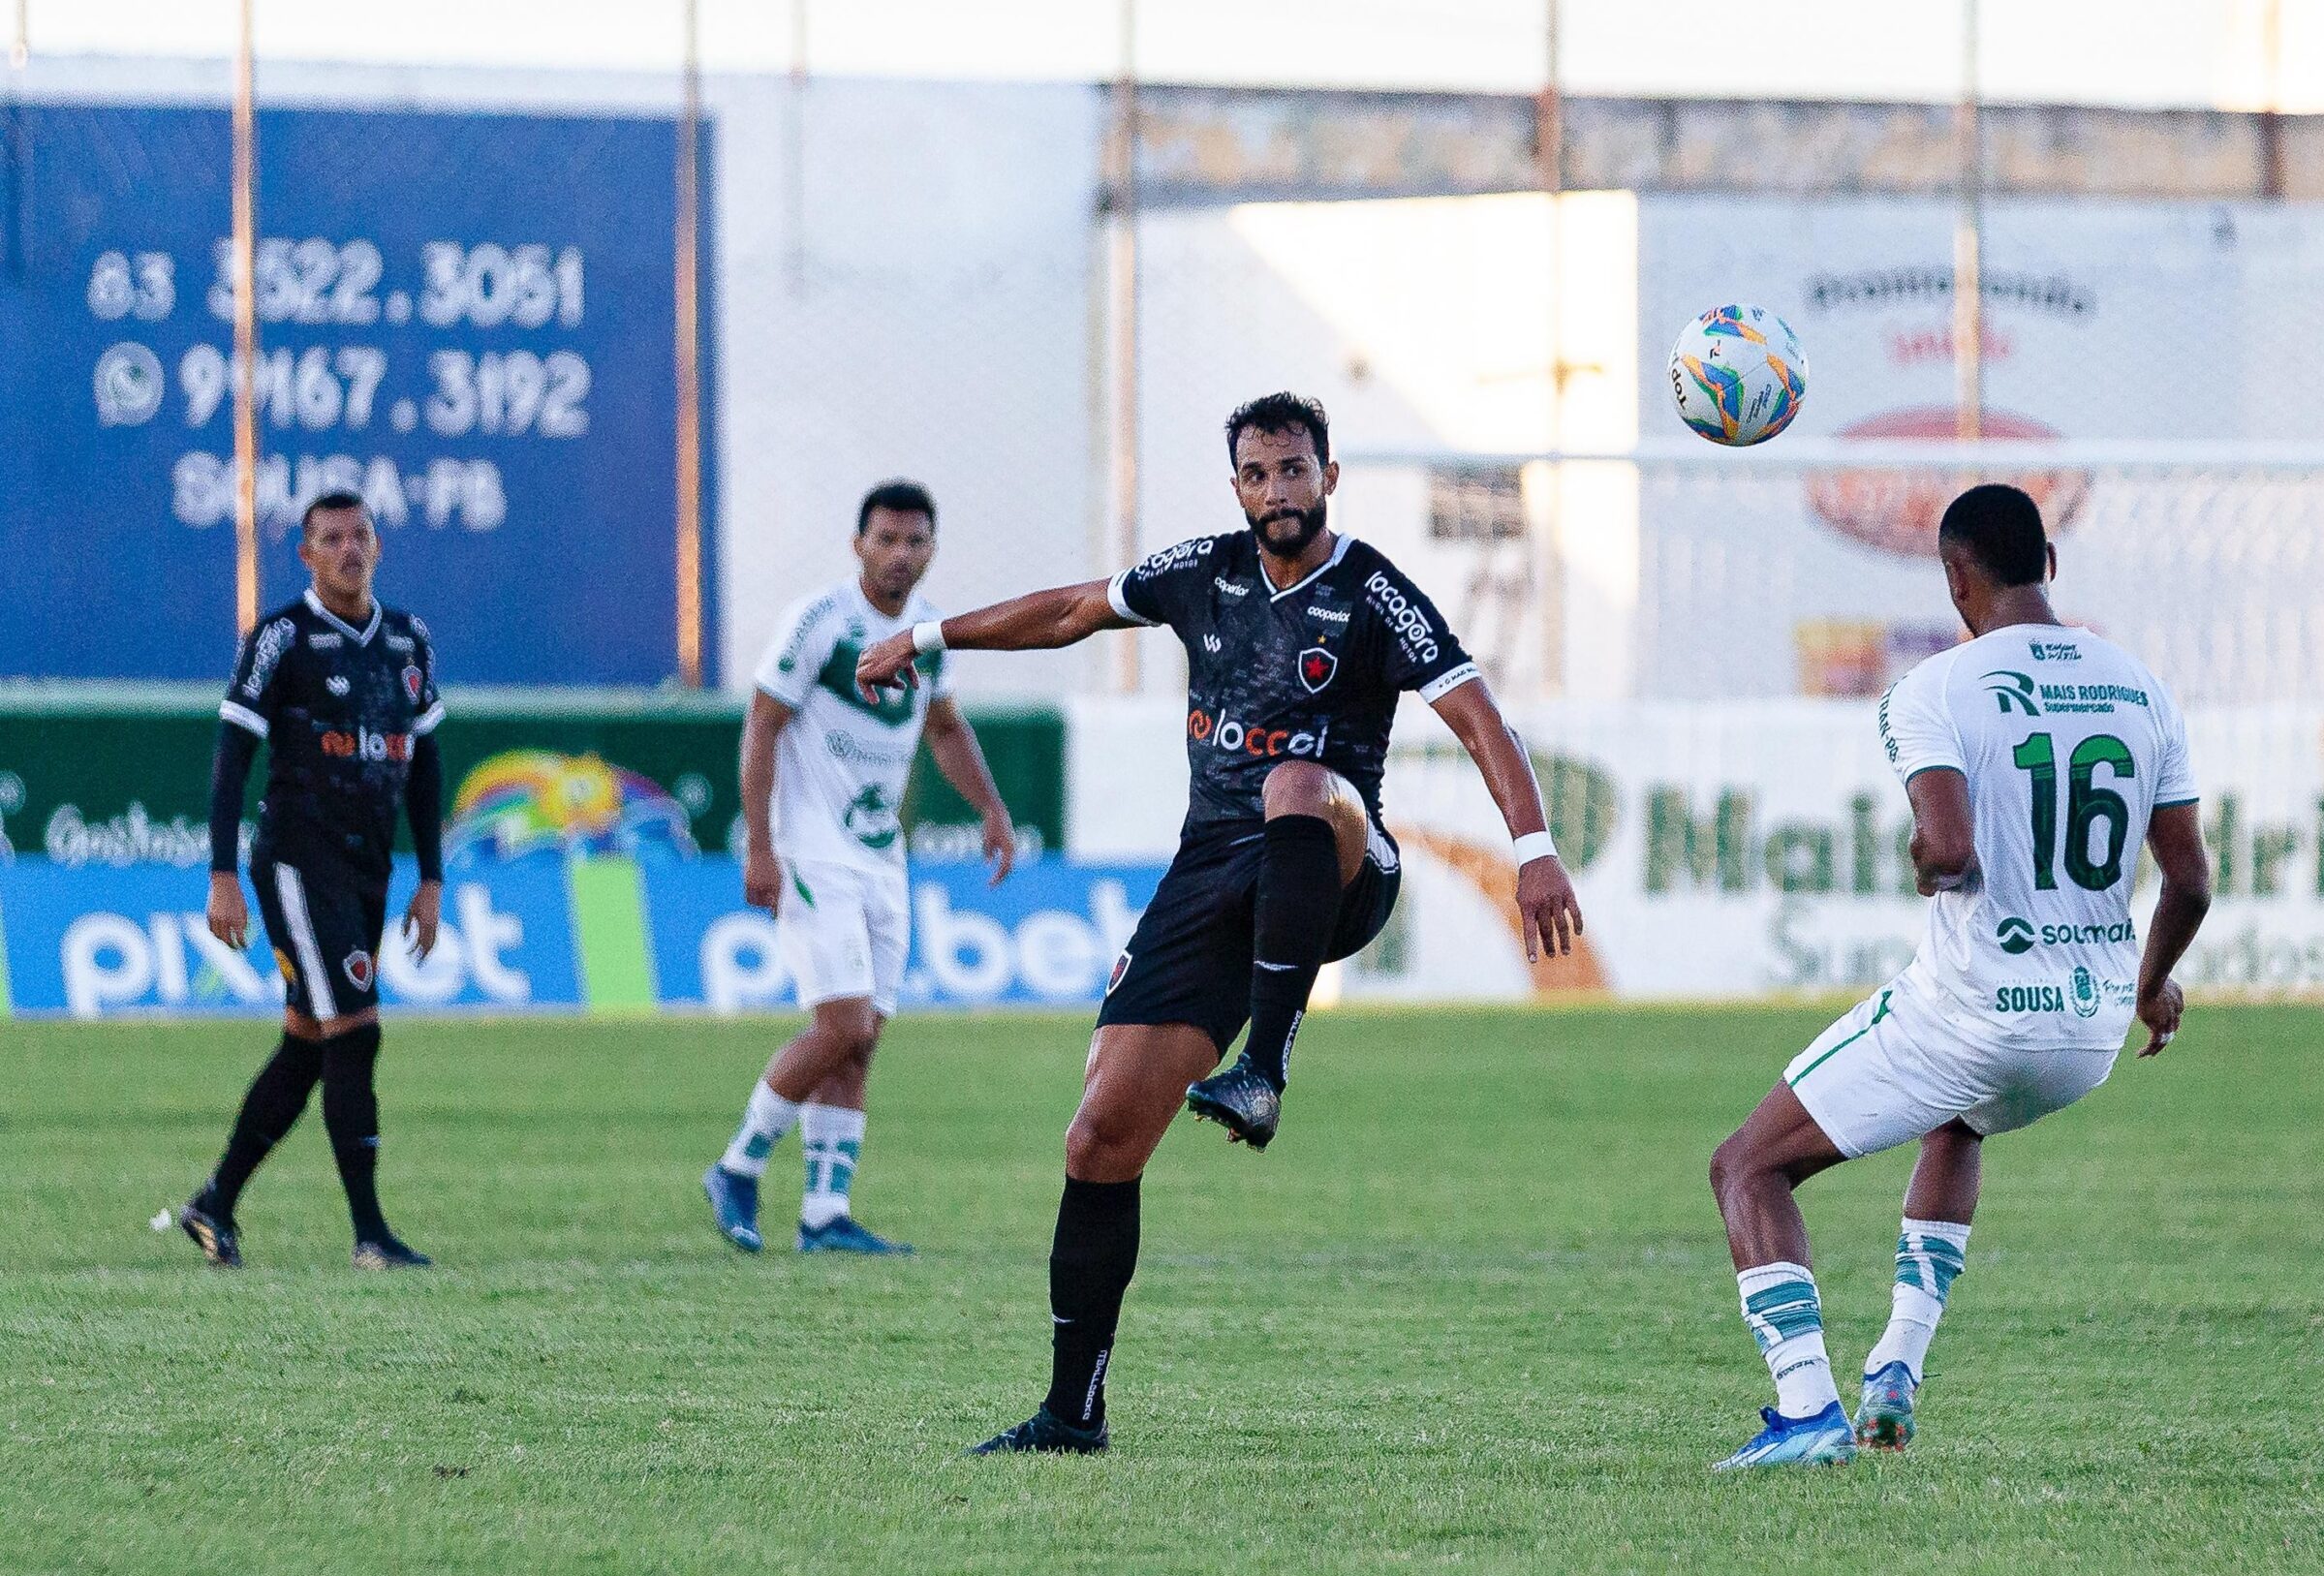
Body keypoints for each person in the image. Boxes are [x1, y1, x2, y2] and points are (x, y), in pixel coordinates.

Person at [853, 392, 1585, 1454]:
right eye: (1258, 474)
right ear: (1235, 484)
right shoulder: (1202, 571)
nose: (1278, 491)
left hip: (1339, 859)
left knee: (1295, 777)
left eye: (1295, 471)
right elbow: (1071, 610)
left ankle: (1266, 1070)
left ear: (1329, 477)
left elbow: (1476, 716)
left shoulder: (1375, 592)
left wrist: (1532, 850)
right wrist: (925, 634)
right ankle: (1072, 1413)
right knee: (1099, 1138)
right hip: (1210, 875)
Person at [1706, 482, 2214, 1468]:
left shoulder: (1934, 690)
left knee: (1746, 1166)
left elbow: (1946, 847)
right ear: (2050, 567)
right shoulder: (2140, 687)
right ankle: (1897, 1357)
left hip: (1973, 1013)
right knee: (1961, 1115)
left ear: (1952, 577)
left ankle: (1807, 1411)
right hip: (2086, 1034)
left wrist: (1926, 860)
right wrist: (2149, 985)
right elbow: (2189, 881)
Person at [702, 479, 1016, 1255]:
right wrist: (761, 843)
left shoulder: (925, 636)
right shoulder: (821, 622)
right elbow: (763, 722)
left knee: (863, 1037)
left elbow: (944, 727)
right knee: (840, 1022)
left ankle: (824, 1214)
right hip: (813, 849)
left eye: (915, 541)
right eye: (887, 539)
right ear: (859, 545)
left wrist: (991, 807)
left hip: (881, 859)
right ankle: (737, 1165)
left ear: (931, 550)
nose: (900, 554)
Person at [180, 490, 445, 1270]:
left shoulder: (407, 639)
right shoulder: (282, 638)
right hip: (297, 860)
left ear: (379, 544)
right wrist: (223, 872)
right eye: (330, 539)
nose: (347, 549)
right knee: (356, 1028)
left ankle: (213, 1202)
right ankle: (370, 1235)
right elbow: (232, 757)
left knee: (307, 1039)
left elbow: (426, 762)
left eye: (359, 535)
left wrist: (431, 877)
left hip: (368, 866)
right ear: (306, 554)